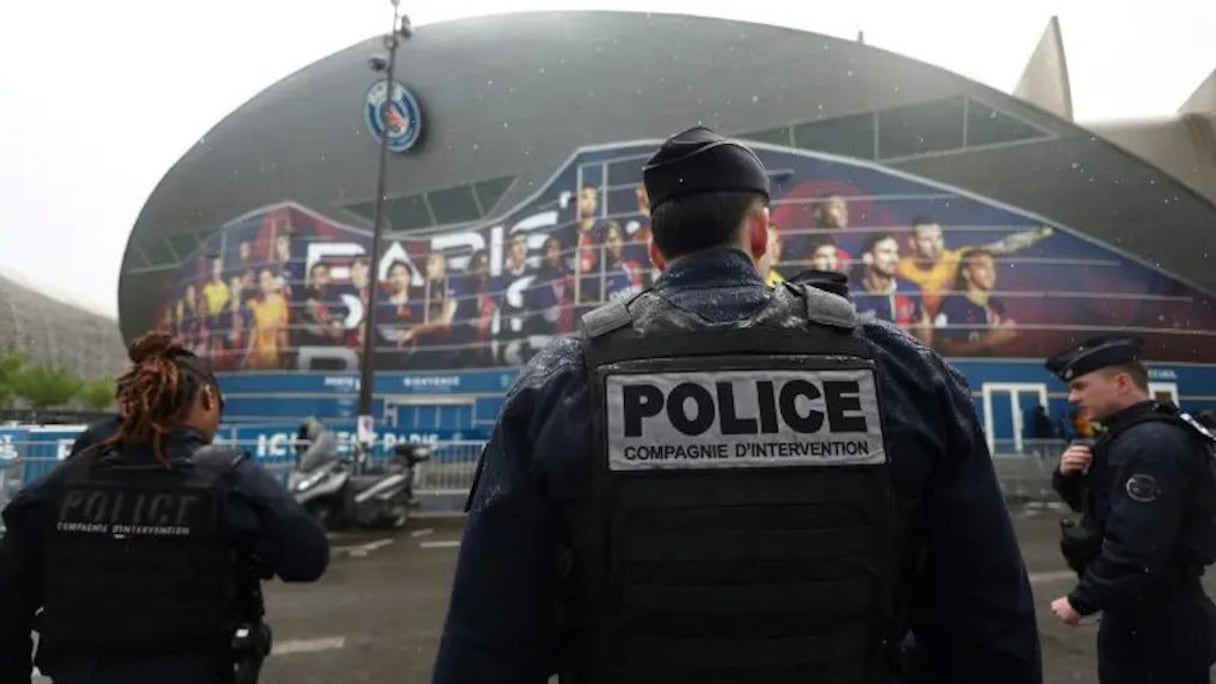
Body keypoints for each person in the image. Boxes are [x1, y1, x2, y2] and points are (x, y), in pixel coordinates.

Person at [433, 126, 1041, 684]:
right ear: (759, 232)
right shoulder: (904, 372)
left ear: (654, 248)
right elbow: (987, 623)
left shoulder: (558, 384)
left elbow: (490, 636)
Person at [0, 332, 330, 684]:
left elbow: (8, 599)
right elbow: (307, 559)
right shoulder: (229, 477)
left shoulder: (62, 481)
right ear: (206, 399)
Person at [1046, 335, 1216, 683]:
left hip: (1158, 618)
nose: (1073, 398)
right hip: (1141, 610)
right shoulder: (1129, 436)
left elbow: (1139, 542)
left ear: (1122, 382)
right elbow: (1103, 510)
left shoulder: (1149, 444)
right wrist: (1067, 477)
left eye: (1080, 386)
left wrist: (1082, 599)